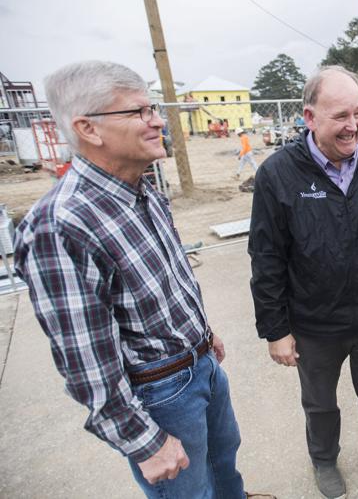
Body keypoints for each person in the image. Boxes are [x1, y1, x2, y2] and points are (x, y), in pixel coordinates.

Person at [14, 61, 272, 499]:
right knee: (190, 492)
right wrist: (143, 442)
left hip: (200, 365)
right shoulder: (61, 225)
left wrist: (202, 334)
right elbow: (86, 361)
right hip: (160, 395)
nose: (157, 121)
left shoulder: (143, 191)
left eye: (152, 108)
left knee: (223, 465)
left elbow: (165, 282)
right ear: (88, 128)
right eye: (138, 111)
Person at [248, 65, 358, 499]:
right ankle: (324, 459)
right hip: (314, 324)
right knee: (320, 404)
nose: (353, 125)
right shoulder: (278, 174)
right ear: (309, 117)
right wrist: (275, 330)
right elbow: (266, 257)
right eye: (341, 116)